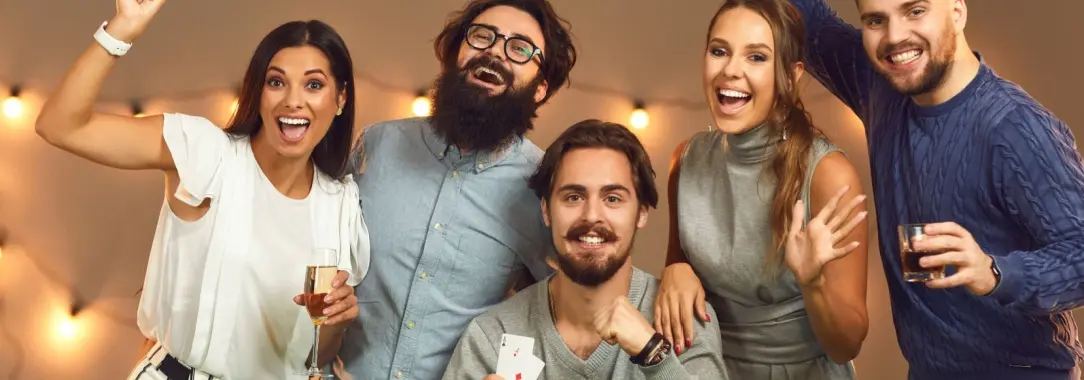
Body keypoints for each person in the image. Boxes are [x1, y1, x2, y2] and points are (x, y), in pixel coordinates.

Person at [34, 1, 369, 378]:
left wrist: (335, 321)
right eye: (276, 82)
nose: (293, 100)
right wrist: (122, 29)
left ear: (340, 99)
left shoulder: (340, 206)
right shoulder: (206, 153)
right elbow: (61, 126)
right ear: (258, 91)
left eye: (313, 84)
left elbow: (314, 352)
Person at [788, 0, 1084, 379]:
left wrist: (994, 272)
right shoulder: (880, 85)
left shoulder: (1015, 127)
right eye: (876, 20)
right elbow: (806, 21)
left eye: (915, 11)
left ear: (957, 11)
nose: (894, 37)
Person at [337, 0, 577, 378]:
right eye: (482, 36)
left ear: (539, 88)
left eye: (519, 48)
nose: (495, 51)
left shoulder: (546, 184)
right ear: (454, 55)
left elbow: (567, 312)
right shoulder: (376, 146)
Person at [652, 0, 871, 379]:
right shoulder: (685, 160)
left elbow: (846, 345)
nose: (731, 70)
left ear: (790, 75)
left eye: (756, 57)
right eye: (719, 51)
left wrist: (812, 283)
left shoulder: (829, 175)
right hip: (709, 368)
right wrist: (674, 267)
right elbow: (679, 262)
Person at [442, 120, 729, 380]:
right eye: (574, 196)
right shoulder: (494, 333)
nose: (592, 216)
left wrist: (652, 354)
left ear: (641, 212)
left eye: (613, 198)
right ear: (546, 210)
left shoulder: (681, 318)